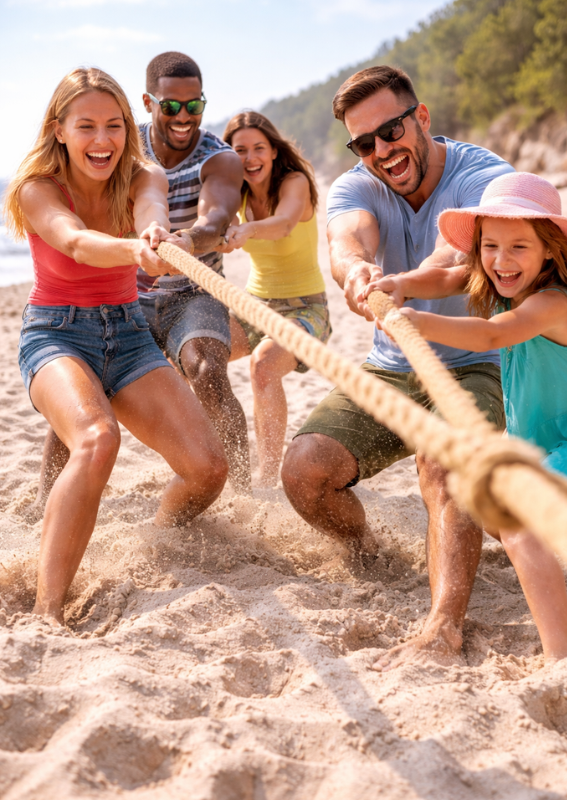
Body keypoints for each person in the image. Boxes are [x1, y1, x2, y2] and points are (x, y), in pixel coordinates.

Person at [281, 65, 513, 670]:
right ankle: (368, 549)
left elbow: (456, 257)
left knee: (444, 467)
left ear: (423, 119)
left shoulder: (484, 176)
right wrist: (356, 271)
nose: (383, 151)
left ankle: (443, 628)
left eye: (392, 131)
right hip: (391, 365)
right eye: (365, 143)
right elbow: (346, 240)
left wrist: (401, 283)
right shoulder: (356, 185)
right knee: (304, 472)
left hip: (478, 362)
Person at [4, 67, 228, 624]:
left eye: (114, 125)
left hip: (128, 334)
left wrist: (154, 236)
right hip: (56, 333)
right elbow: (76, 242)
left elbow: (150, 212)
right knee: (97, 439)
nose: (102, 140)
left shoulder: (143, 175)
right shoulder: (37, 188)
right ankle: (47, 609)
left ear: (129, 127)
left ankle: (155, 538)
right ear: (59, 130)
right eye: (86, 127)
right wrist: (133, 250)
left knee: (207, 469)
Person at [365, 171, 567, 662]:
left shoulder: (553, 302)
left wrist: (421, 322)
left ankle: (562, 662)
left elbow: (493, 336)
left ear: (551, 250)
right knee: (500, 512)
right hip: (541, 440)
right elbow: (451, 276)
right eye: (490, 245)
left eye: (518, 246)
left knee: (516, 523)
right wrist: (400, 283)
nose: (500, 260)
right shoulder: (502, 279)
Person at [36, 51, 250, 501]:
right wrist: (139, 248)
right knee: (88, 386)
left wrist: (186, 241)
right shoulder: (119, 151)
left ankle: (244, 491)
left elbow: (214, 220)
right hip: (127, 289)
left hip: (193, 287)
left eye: (195, 105)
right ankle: (44, 496)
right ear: (148, 103)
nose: (184, 116)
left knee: (207, 367)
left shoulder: (221, 158)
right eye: (171, 105)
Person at [222, 112, 331, 487]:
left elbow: (284, 223)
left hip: (305, 307)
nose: (250, 158)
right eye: (240, 150)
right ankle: (221, 462)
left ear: (272, 151)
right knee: (197, 356)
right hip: (253, 305)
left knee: (263, 367)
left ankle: (268, 479)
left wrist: (245, 229)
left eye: (258, 149)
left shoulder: (295, 183)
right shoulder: (235, 193)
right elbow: (204, 220)